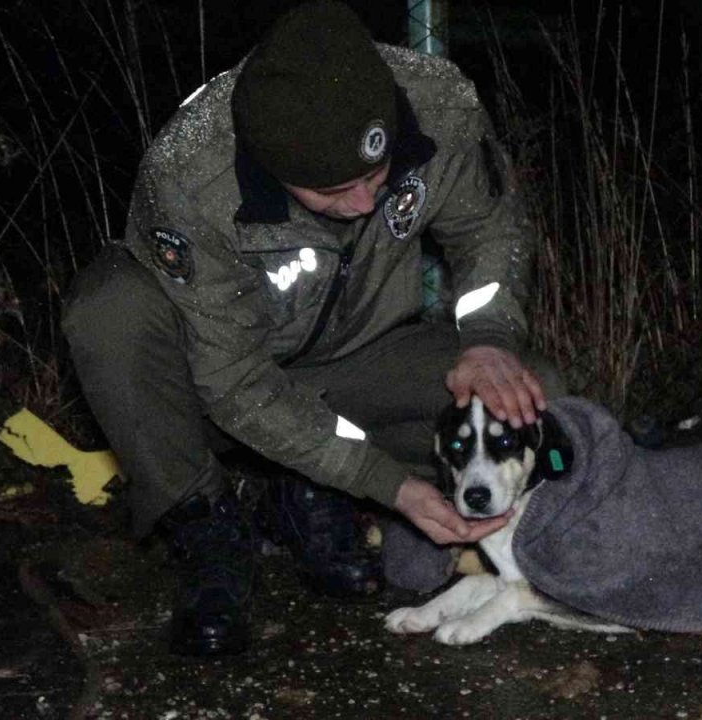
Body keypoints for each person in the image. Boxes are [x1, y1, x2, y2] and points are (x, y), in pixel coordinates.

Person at [62, 0, 558, 656]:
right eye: (334, 191)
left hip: (363, 355)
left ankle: (301, 486)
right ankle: (208, 523)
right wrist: (388, 483)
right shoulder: (190, 175)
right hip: (217, 382)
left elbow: (487, 228)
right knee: (109, 311)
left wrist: (489, 336)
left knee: (543, 397)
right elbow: (235, 381)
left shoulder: (439, 103)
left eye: (378, 176)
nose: (364, 204)